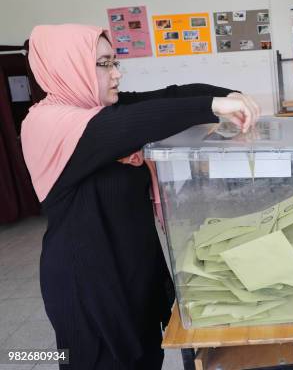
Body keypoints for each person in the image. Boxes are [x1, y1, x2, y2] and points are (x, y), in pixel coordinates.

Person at [20, 24, 260, 369]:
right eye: (103, 64)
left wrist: (233, 94)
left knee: (147, 358)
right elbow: (134, 124)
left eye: (115, 62)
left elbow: (170, 97)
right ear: (67, 66)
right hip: (89, 286)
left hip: (134, 272)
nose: (116, 74)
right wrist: (214, 105)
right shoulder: (46, 123)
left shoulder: (99, 111)